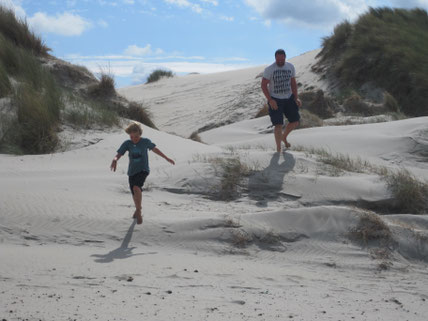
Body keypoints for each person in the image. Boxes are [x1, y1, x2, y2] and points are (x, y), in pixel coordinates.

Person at [110, 122, 175, 224]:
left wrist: (166, 158)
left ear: (139, 134)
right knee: (134, 193)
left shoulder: (145, 142)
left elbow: (155, 149)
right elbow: (119, 154)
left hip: (143, 170)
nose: (134, 139)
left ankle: (139, 211)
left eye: (136, 136)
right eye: (131, 136)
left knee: (136, 188)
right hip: (131, 172)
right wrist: (114, 160)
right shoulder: (127, 143)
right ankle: (137, 208)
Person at [261, 49, 302, 152]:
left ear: (285, 57)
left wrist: (296, 97)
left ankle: (284, 137)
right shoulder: (269, 69)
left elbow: (293, 83)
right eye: (278, 59)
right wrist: (270, 100)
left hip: (289, 98)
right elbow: (263, 85)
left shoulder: (290, 67)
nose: (280, 61)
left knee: (295, 121)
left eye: (282, 59)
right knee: (278, 125)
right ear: (275, 58)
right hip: (275, 99)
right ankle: (279, 149)